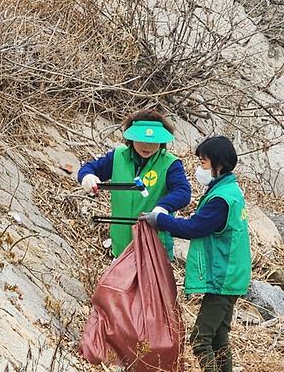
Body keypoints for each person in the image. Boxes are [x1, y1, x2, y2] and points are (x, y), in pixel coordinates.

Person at [140, 136, 251, 372]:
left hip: (223, 277)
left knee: (200, 341)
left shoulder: (221, 199)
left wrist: (161, 219)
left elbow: (194, 228)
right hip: (230, 276)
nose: (199, 168)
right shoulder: (228, 190)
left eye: (203, 162)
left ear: (218, 165)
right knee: (219, 340)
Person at [78, 109, 191, 258]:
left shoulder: (170, 164)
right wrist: (87, 177)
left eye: (153, 141)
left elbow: (183, 191)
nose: (147, 146)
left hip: (154, 248)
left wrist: (162, 208)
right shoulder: (118, 156)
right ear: (131, 138)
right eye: (142, 140)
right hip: (121, 245)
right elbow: (90, 168)